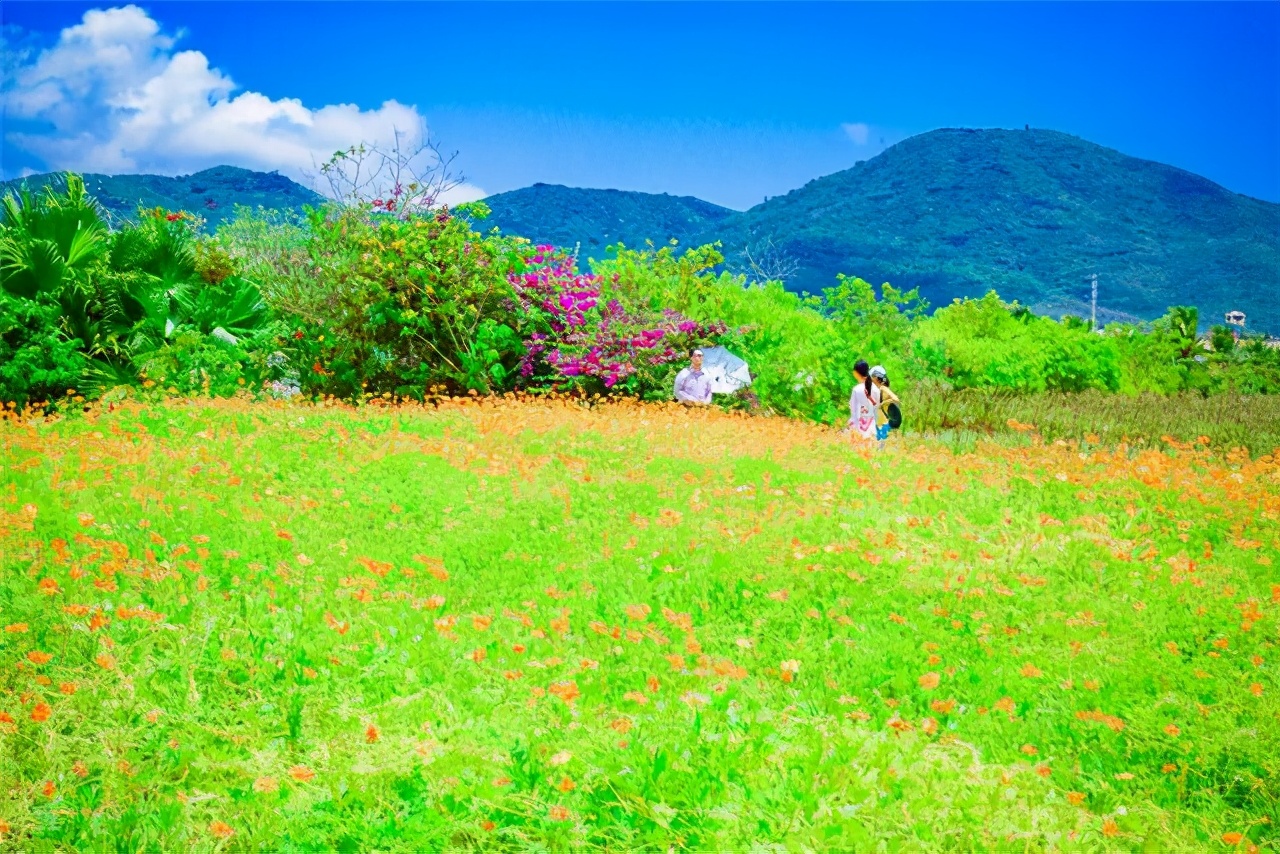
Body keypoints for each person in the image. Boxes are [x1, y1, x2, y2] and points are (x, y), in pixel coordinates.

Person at [843, 360, 880, 440]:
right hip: (871, 429)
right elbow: (877, 408)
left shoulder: (856, 389)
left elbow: (854, 411)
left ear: (856, 373)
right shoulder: (876, 389)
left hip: (858, 430)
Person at [869, 365, 900, 445]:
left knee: (881, 444)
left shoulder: (883, 388)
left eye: (872, 377)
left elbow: (896, 399)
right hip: (880, 422)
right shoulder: (877, 390)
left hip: (886, 422)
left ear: (876, 378)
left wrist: (883, 403)